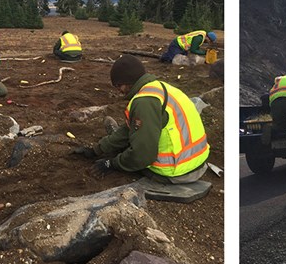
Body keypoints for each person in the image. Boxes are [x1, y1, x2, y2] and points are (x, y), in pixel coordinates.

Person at [71, 55, 210, 184]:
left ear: (128, 81)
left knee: (134, 153)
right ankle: (122, 142)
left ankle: (124, 146)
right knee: (135, 136)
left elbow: (143, 156)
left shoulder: (144, 102)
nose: (119, 91)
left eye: (119, 85)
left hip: (175, 171)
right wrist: (97, 149)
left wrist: (112, 163)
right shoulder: (159, 88)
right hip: (197, 161)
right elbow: (128, 128)